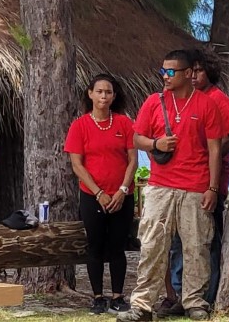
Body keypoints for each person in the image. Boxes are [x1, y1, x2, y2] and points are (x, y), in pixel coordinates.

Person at [118, 50, 222, 322]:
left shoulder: (206, 104)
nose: (165, 76)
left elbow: (214, 149)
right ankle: (142, 305)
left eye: (171, 71)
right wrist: (156, 145)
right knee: (152, 244)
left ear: (188, 73)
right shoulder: (154, 102)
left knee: (196, 246)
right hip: (160, 185)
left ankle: (194, 302)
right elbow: (137, 137)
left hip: (195, 186)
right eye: (163, 70)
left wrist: (212, 188)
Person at [162, 49, 229, 313]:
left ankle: (205, 294)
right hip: (180, 182)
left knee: (205, 241)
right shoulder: (176, 100)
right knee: (178, 243)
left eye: (199, 71)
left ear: (209, 72)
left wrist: (207, 154)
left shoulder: (217, 99)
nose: (194, 76)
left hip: (208, 182)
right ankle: (180, 294)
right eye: (191, 71)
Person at [65, 74, 137, 314]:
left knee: (118, 246)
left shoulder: (125, 124)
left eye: (108, 92)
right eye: (99, 91)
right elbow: (77, 165)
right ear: (90, 94)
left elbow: (132, 160)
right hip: (92, 195)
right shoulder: (80, 125)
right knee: (95, 246)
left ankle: (118, 295)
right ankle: (97, 296)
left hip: (122, 196)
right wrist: (98, 193)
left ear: (114, 96)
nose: (103, 96)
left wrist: (122, 190)